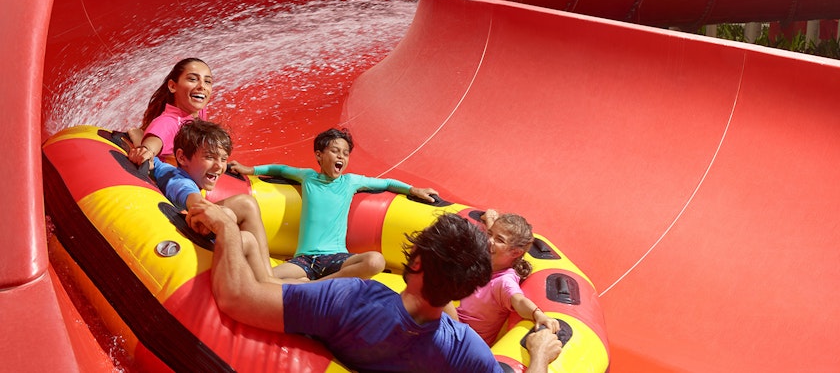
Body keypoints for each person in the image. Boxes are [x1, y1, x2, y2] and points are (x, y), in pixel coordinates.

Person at [186, 208, 563, 372]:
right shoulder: (463, 349)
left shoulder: (352, 297)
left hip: (343, 330)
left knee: (294, 281)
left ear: (415, 263)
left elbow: (236, 298)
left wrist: (227, 228)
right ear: (467, 286)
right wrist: (540, 353)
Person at [229, 127, 438, 281]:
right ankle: (310, 284)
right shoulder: (308, 177)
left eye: (345, 153)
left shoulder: (350, 182)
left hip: (336, 259)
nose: (341, 156)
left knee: (376, 261)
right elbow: (280, 169)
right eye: (335, 151)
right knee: (259, 278)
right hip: (303, 261)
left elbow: (387, 183)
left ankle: (315, 285)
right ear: (319, 155)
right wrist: (250, 169)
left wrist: (414, 190)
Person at [151, 119, 275, 282]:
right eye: (210, 157)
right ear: (182, 157)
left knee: (246, 203)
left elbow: (155, 162)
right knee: (238, 224)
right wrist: (224, 220)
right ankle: (267, 280)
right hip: (192, 243)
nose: (219, 166)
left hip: (191, 229)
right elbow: (193, 200)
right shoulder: (182, 183)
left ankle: (268, 274)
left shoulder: (167, 170)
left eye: (223, 159)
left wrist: (141, 144)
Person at [455, 211, 561, 346]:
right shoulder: (490, 258)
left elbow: (519, 300)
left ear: (516, 252)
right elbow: (493, 234)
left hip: (464, 342)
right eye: (489, 234)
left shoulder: (503, 281)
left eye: (499, 240)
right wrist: (489, 217)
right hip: (455, 325)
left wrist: (538, 314)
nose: (489, 240)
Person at [128, 57, 213, 166]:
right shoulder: (168, 123)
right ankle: (139, 139)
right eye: (192, 79)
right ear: (172, 86)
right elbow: (152, 145)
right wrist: (145, 149)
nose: (202, 86)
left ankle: (140, 136)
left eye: (207, 81)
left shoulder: (197, 110)